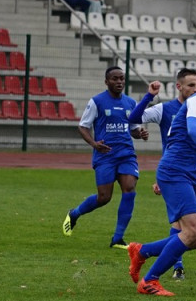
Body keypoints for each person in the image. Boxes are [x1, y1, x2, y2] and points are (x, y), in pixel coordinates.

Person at [127, 68, 196, 297]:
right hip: (176, 172)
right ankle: (149, 281)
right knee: (191, 231)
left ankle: (142, 251)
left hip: (193, 175)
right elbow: (194, 130)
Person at [62, 66, 158, 246]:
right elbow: (83, 126)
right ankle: (74, 214)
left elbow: (132, 130)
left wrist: (140, 134)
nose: (119, 82)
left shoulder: (130, 103)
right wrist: (94, 144)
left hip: (126, 154)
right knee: (104, 198)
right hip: (105, 155)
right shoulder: (97, 101)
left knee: (129, 189)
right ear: (107, 82)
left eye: (122, 78)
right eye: (115, 79)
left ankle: (118, 238)